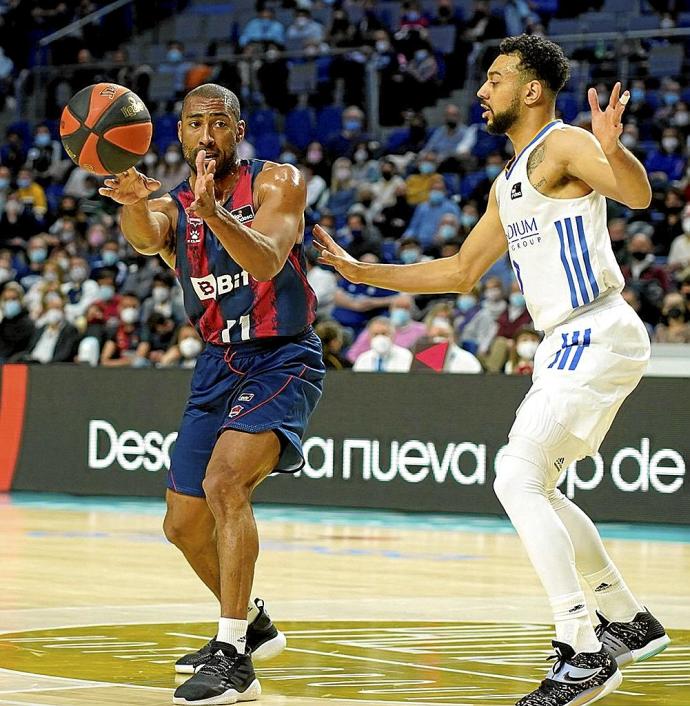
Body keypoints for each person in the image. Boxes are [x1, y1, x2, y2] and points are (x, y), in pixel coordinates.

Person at [314, 34, 669, 706]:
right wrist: (362, 272)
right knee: (540, 486)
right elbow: (458, 271)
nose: (482, 90)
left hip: (595, 325)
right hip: (570, 339)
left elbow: (635, 195)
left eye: (497, 79)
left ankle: (581, 646)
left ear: (533, 90)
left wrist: (614, 146)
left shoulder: (563, 144)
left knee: (515, 476)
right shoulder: (508, 182)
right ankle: (623, 617)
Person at [99, 82, 324, 705]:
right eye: (195, 124)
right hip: (218, 361)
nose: (207, 135)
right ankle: (252, 622)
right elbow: (147, 235)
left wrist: (215, 212)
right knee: (181, 522)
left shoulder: (278, 182)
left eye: (218, 123)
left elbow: (268, 261)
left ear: (237, 129)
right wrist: (129, 196)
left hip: (282, 355)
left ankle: (232, 656)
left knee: (226, 484)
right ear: (178, 134)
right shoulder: (175, 202)